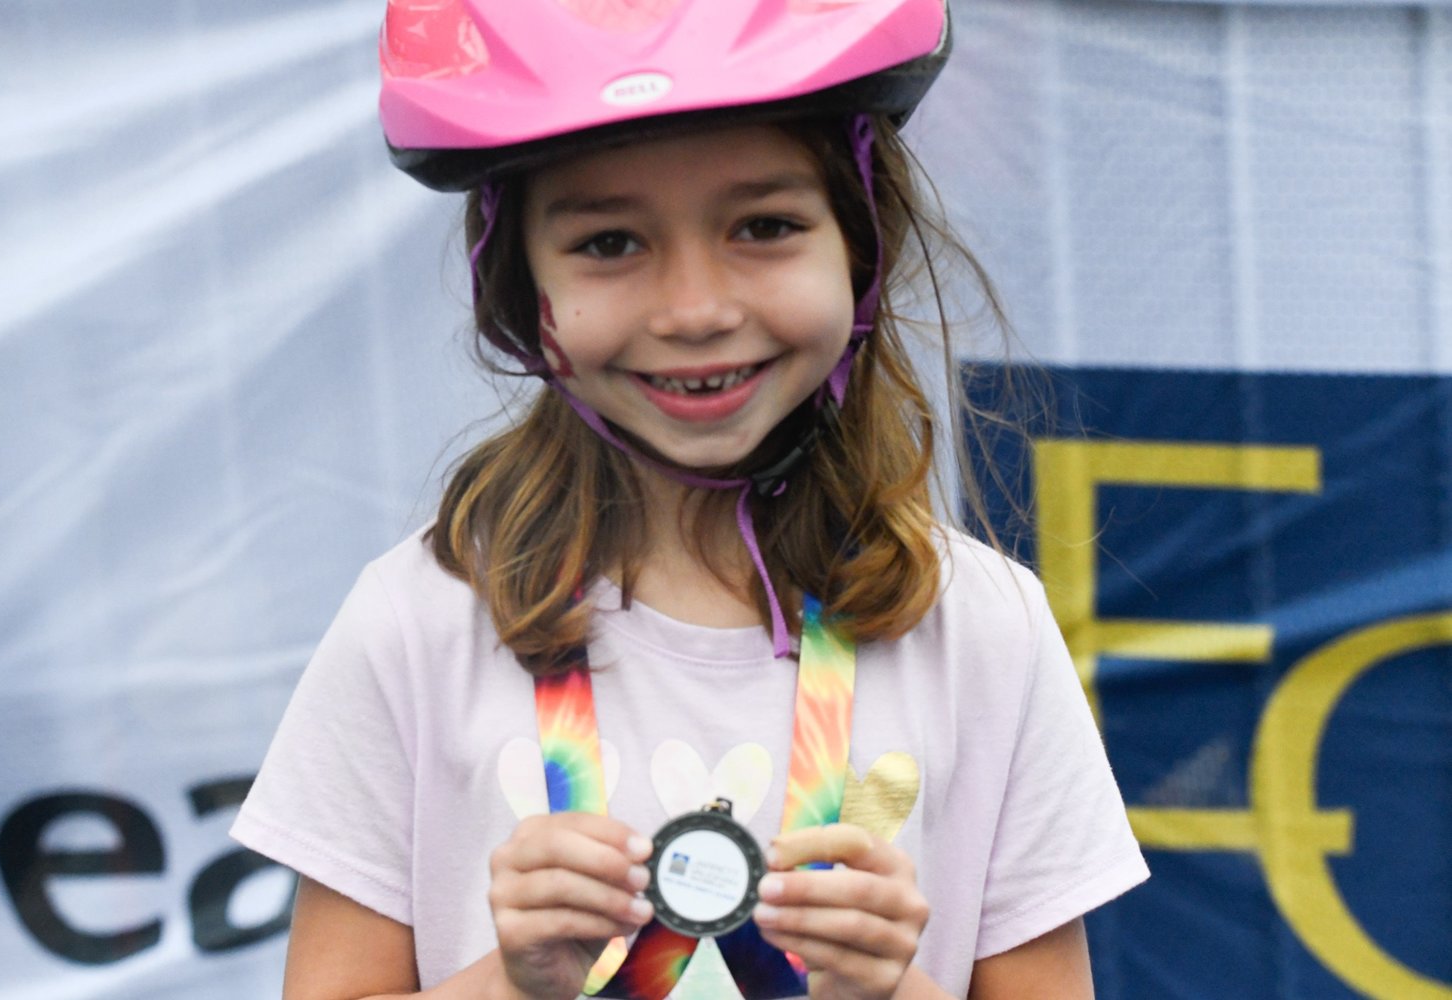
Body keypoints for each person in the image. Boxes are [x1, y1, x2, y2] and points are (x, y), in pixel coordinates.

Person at [231, 1, 1149, 998]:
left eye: (764, 226)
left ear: (862, 244)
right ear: (516, 285)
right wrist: (511, 982)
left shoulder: (981, 628)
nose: (696, 310)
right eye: (610, 243)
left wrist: (896, 991)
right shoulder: (417, 620)